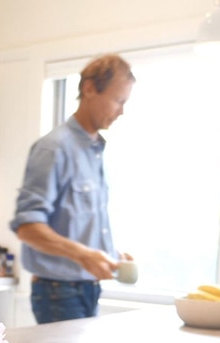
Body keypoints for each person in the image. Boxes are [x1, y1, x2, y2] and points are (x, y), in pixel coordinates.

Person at [9, 54, 135, 324]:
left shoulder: (94, 151)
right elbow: (27, 227)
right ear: (89, 89)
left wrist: (110, 253)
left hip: (88, 289)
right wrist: (83, 255)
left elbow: (75, 224)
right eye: (118, 100)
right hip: (58, 293)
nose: (122, 111)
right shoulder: (54, 148)